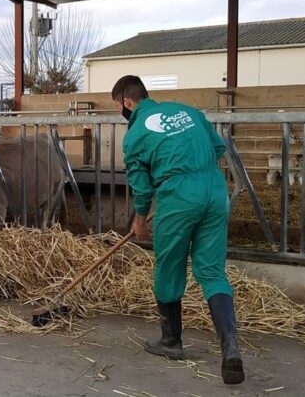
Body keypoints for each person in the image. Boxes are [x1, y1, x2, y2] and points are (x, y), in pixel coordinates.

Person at [113, 75, 244, 385]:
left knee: (169, 267)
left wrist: (141, 217)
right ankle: (231, 347)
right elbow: (217, 146)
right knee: (212, 272)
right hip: (214, 190)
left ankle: (171, 341)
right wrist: (196, 172)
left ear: (126, 103)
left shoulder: (134, 136)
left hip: (178, 196)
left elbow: (142, 186)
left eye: (118, 106)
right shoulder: (187, 111)